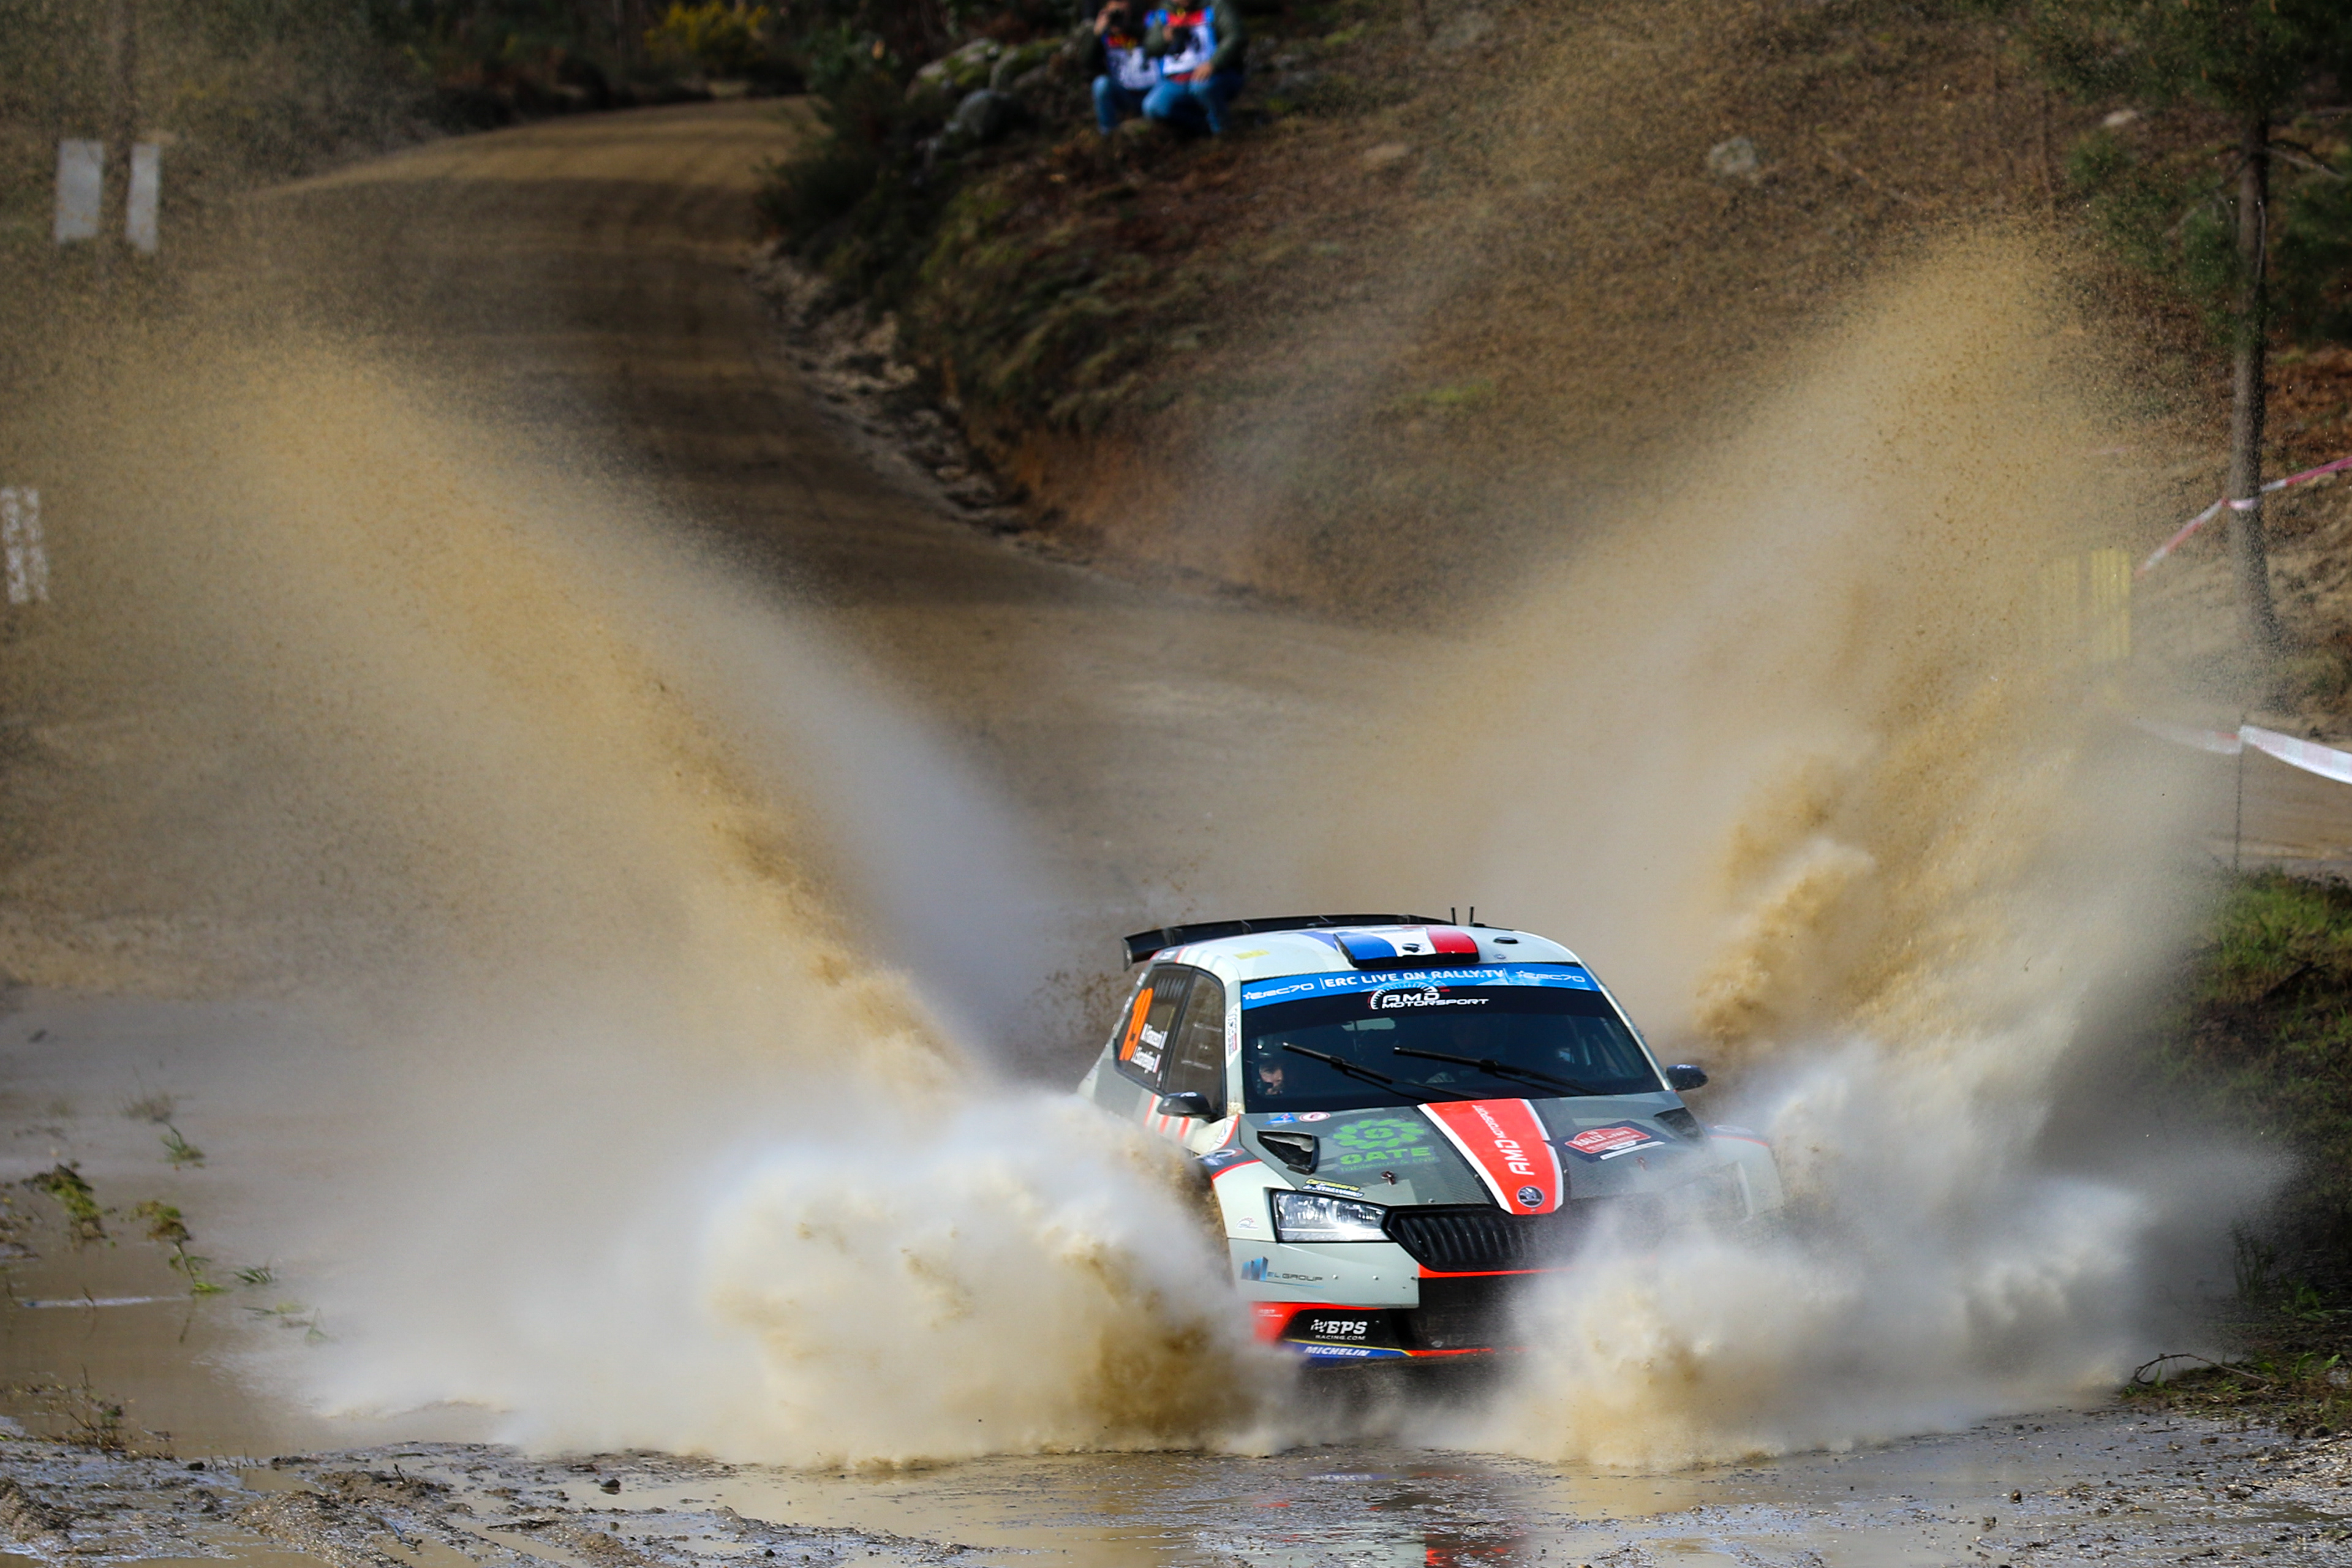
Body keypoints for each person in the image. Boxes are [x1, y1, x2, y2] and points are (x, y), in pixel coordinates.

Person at [1142, 0, 1245, 137]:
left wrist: (1213, 64)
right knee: (1153, 106)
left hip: (1218, 73)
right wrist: (1164, 38)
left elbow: (1236, 36)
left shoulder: (1215, 5)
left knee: (1201, 87)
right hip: (1177, 78)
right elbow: (1150, 48)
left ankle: (1223, 132)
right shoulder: (1163, 13)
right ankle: (1201, 129)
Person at [1090, 1, 1157, 135]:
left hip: (1153, 90)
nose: (1118, 8)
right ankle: (1108, 135)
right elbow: (1088, 64)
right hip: (1124, 92)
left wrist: (1127, 27)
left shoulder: (1148, 18)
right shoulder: (1105, 31)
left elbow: (1156, 40)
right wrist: (1096, 36)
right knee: (1101, 84)